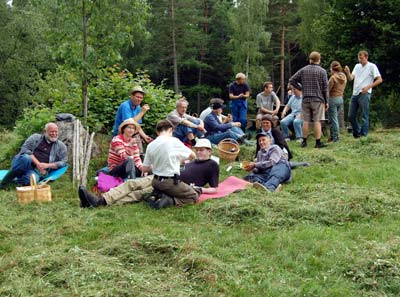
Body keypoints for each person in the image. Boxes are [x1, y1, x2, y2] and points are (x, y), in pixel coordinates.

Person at [141, 119, 201, 209]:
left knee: (176, 188)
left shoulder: (151, 145)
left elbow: (144, 169)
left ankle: (157, 195)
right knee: (193, 196)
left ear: (158, 132)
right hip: (169, 182)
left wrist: (158, 165)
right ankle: (169, 201)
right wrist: (181, 161)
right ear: (170, 130)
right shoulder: (173, 141)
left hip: (155, 181)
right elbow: (193, 155)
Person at [0, 123, 68, 188]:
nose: (54, 134)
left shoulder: (61, 146)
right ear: (45, 131)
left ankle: (15, 180)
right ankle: (3, 183)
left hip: (36, 171)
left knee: (32, 180)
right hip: (24, 163)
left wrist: (46, 165)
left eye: (56, 132)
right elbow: (25, 149)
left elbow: (63, 162)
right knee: (25, 158)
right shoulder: (35, 137)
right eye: (51, 131)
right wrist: (38, 164)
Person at [289, 51, 328, 148]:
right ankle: (318, 142)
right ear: (319, 59)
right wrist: (326, 101)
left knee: (305, 120)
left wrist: (300, 88)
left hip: (305, 98)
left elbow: (292, 80)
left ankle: (304, 141)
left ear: (310, 59)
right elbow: (325, 88)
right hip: (317, 99)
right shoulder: (322, 71)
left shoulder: (303, 70)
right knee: (317, 121)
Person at [344, 50, 382, 138]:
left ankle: (363, 134)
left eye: (361, 58)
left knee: (364, 114)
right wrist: (348, 72)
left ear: (366, 57)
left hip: (365, 92)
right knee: (351, 115)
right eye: (359, 58)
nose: (360, 60)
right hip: (355, 93)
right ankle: (357, 131)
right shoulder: (357, 66)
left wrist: (369, 87)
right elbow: (350, 78)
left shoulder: (372, 66)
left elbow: (379, 79)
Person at [328, 61, 347, 142]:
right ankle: (332, 136)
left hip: (332, 98)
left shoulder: (333, 78)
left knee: (333, 119)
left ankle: (336, 137)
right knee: (334, 119)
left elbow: (328, 89)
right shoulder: (344, 76)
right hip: (340, 98)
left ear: (332, 69)